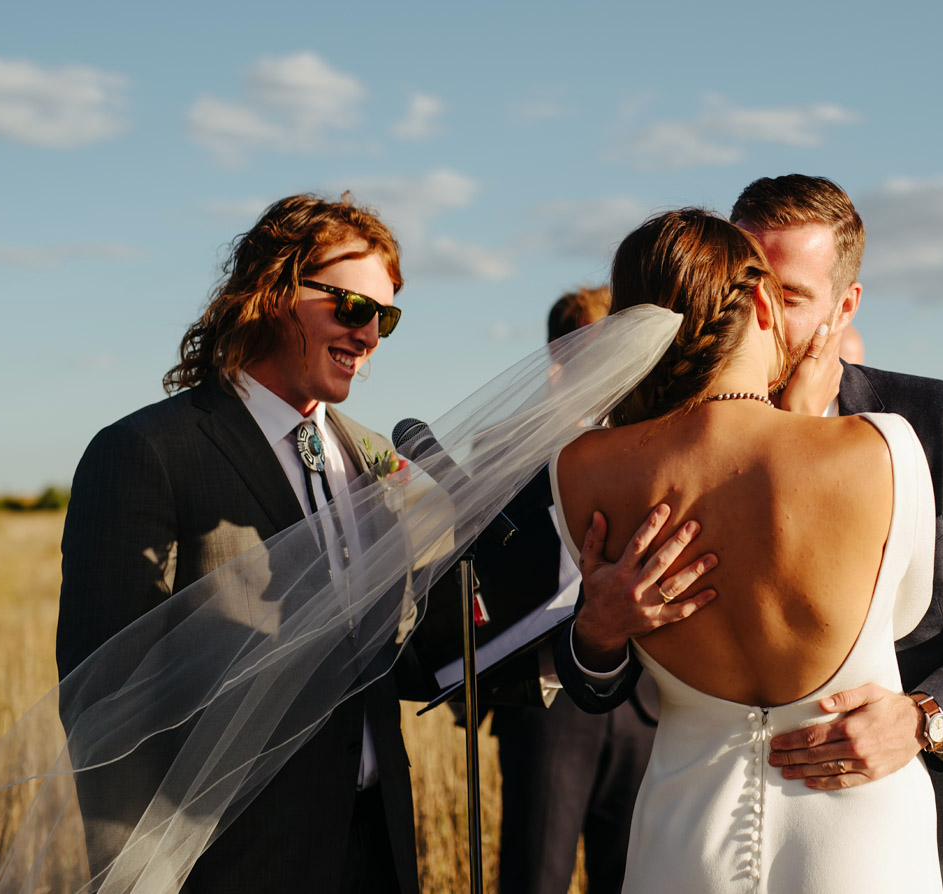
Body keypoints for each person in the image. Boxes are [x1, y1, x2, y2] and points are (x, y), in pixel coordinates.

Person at [556, 175, 943, 893]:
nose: (756, 318)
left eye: (789, 297)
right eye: (742, 285)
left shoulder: (931, 420)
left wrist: (925, 719)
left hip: (918, 826)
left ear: (843, 305)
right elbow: (603, 681)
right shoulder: (637, 449)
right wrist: (596, 634)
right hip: (701, 834)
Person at [56, 193, 422, 893]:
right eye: (353, 308)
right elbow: (103, 703)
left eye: (386, 317)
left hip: (375, 851)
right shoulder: (146, 452)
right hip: (231, 866)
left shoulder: (374, 460)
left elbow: (397, 657)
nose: (371, 336)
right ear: (278, 292)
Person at [490, 286, 659, 894]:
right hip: (548, 703)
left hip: (644, 707)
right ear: (559, 364)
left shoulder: (655, 447)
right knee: (538, 874)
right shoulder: (501, 452)